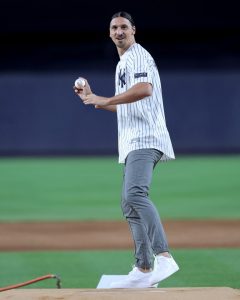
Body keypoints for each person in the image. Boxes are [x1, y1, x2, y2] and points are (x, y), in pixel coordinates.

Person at [74, 11, 179, 289]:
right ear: (109, 33)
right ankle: (143, 268)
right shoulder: (123, 63)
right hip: (133, 140)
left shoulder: (137, 56)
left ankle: (164, 256)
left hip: (147, 137)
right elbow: (123, 105)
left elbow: (144, 89)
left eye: (123, 27)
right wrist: (93, 99)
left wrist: (105, 97)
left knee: (134, 193)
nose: (119, 31)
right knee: (128, 202)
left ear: (134, 30)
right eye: (114, 28)